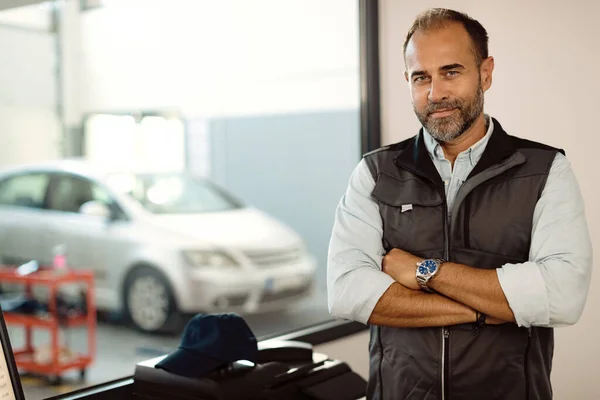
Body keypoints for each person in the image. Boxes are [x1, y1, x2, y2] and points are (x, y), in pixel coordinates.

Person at [327, 8, 593, 400]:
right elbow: (347, 292)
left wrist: (420, 270)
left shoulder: (545, 169)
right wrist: (492, 307)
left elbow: (563, 295)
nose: (436, 93)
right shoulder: (375, 172)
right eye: (422, 77)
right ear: (408, 81)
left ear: (485, 72)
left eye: (451, 72)